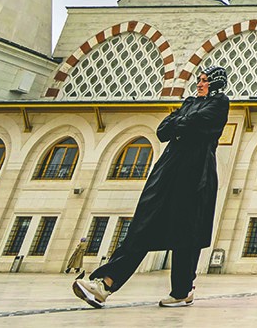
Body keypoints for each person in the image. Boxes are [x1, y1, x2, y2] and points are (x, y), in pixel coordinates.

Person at [71, 66, 230, 309]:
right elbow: (163, 131)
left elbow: (194, 122)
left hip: (195, 174)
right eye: (198, 80)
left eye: (205, 81)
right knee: (143, 224)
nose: (199, 84)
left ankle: (182, 291)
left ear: (216, 84)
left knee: (187, 233)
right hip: (168, 169)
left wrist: (179, 121)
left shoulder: (220, 103)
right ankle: (105, 283)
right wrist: (181, 122)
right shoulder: (189, 103)